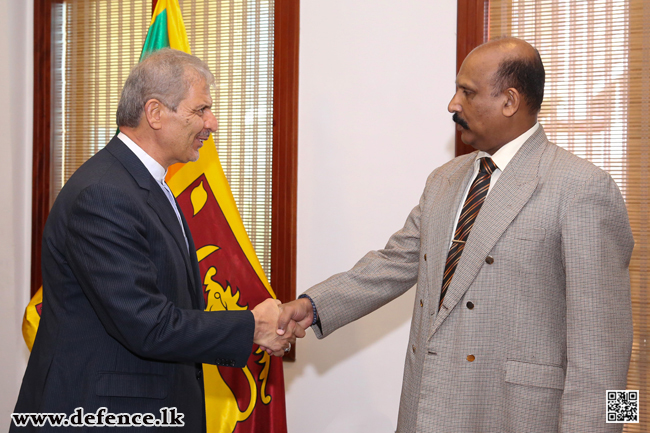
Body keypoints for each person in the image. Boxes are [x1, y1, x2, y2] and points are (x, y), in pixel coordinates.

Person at [278, 37, 633, 432]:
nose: (453, 104)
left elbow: (608, 350)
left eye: (467, 92)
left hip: (512, 415)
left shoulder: (583, 188)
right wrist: (313, 307)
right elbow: (394, 262)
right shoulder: (445, 180)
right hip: (426, 407)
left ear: (509, 101)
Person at [11, 49, 302, 432]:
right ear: (155, 113)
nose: (211, 123)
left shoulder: (146, 184)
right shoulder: (103, 194)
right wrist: (251, 326)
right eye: (200, 110)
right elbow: (147, 324)